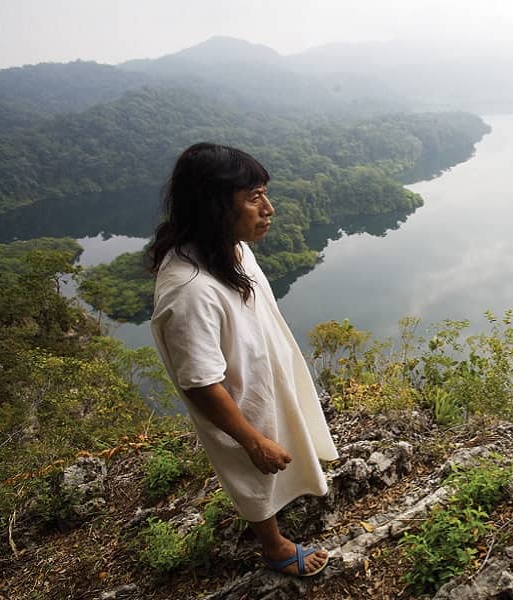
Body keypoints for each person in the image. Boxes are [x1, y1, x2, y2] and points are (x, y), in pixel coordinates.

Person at [148, 142, 338, 577]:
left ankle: (292, 485)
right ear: (214, 206)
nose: (269, 208)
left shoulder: (230, 249)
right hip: (236, 400)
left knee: (282, 442)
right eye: (254, 199)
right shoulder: (189, 290)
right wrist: (251, 439)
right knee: (250, 469)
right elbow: (199, 383)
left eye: (265, 194)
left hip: (263, 375)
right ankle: (273, 547)